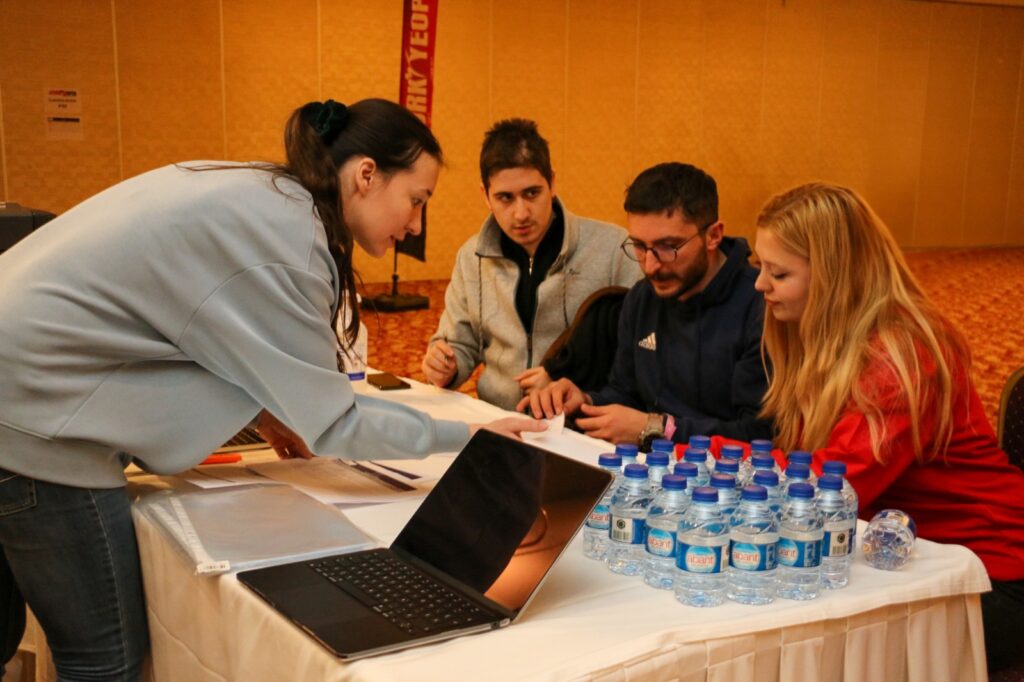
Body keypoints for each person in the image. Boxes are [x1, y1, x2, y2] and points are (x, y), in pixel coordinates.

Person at [0, 98, 541, 681]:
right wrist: (470, 433)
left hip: (22, 387)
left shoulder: (266, 196)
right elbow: (336, 424)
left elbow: (200, 326)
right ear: (366, 175)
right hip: (35, 420)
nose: (414, 225)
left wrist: (270, 405)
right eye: (417, 200)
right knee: (104, 658)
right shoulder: (292, 240)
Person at [753, 182, 1024, 674]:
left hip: (991, 572)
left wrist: (703, 462)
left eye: (779, 273)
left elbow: (833, 487)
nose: (760, 285)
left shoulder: (902, 354)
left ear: (834, 277)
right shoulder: (825, 337)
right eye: (760, 267)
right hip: (907, 554)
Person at [521, 163, 772, 448]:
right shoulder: (642, 298)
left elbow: (760, 434)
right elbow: (625, 393)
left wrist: (657, 429)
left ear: (713, 235)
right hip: (645, 464)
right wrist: (585, 401)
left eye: (668, 246)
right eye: (639, 246)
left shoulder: (761, 305)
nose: (650, 266)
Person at [420, 118, 640, 411]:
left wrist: (570, 377)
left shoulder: (614, 249)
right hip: (500, 418)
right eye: (505, 198)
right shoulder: (471, 257)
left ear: (552, 182)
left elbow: (640, 349)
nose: (521, 213)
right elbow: (459, 343)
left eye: (532, 193)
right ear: (485, 196)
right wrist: (444, 364)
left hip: (581, 419)